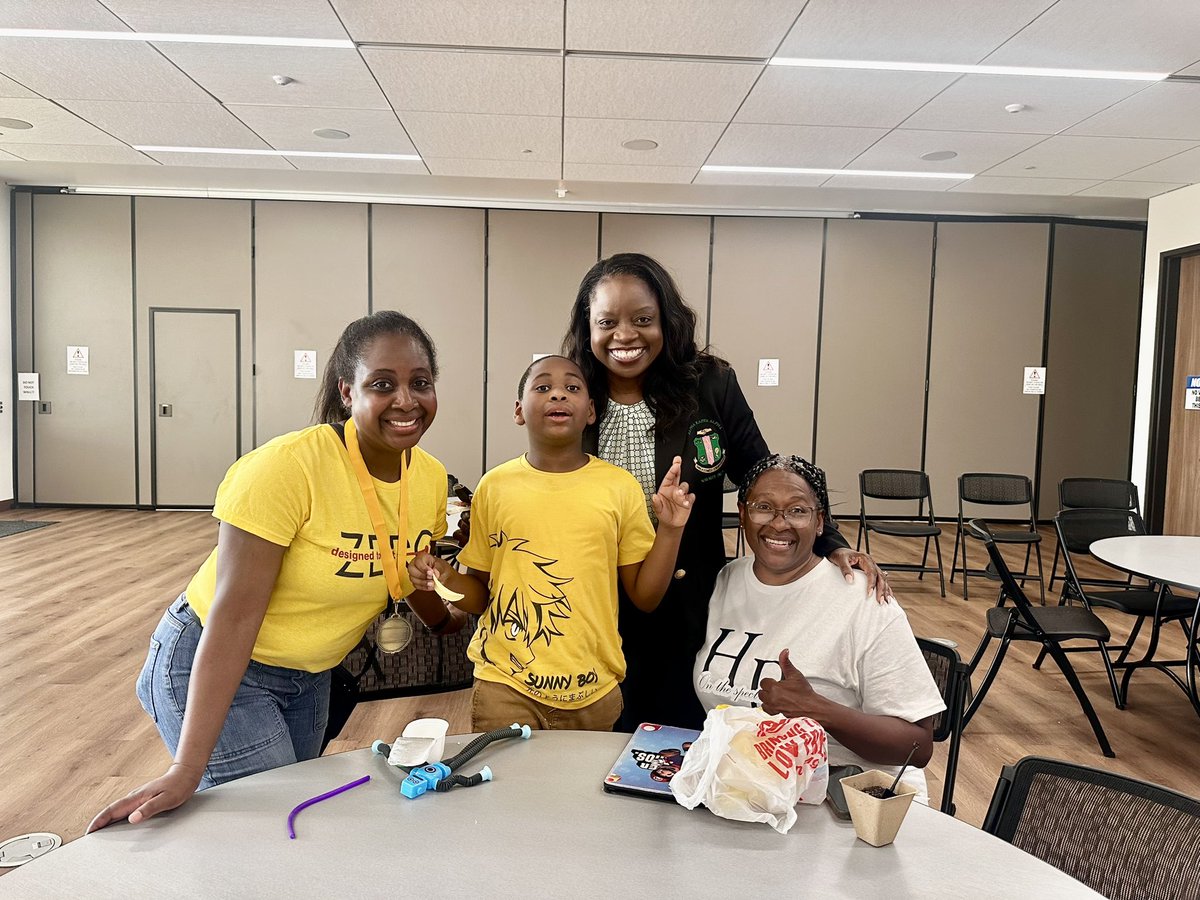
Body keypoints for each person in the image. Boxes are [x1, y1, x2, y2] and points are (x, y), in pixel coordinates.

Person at [88, 311, 465, 832]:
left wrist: (446, 621)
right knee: (265, 828)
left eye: (420, 383)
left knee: (291, 816)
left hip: (310, 676)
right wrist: (187, 769)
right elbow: (234, 616)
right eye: (383, 384)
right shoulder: (286, 469)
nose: (406, 400)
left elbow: (400, 572)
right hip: (219, 659)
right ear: (347, 392)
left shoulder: (427, 477)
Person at [562, 252, 889, 730]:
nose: (625, 335)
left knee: (682, 735)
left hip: (688, 600)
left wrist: (831, 542)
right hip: (593, 598)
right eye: (607, 321)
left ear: (667, 322)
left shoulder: (710, 384)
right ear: (587, 327)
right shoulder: (572, 390)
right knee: (600, 737)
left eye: (643, 320)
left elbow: (764, 474)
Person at [407, 355, 694, 732]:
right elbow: (480, 596)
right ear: (519, 411)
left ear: (591, 411)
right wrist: (445, 577)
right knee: (506, 789)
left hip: (594, 690)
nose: (558, 394)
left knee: (579, 792)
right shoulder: (495, 486)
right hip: (504, 686)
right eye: (542, 387)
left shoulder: (619, 486)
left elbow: (645, 597)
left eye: (572, 388)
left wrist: (671, 530)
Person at [693, 454, 945, 802]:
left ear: (820, 521)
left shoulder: (862, 597)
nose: (779, 524)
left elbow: (917, 746)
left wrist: (817, 708)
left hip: (849, 806)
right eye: (763, 507)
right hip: (745, 794)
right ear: (742, 514)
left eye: (797, 510)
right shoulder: (726, 581)